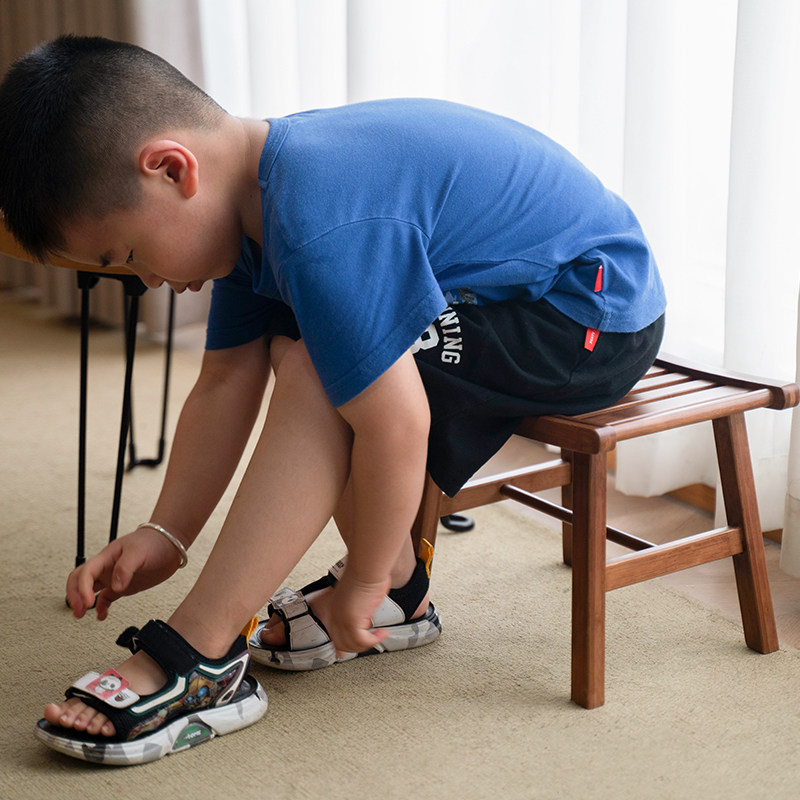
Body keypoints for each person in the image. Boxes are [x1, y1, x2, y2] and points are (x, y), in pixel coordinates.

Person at [0, 35, 666, 764]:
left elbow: (396, 423)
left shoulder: (320, 220)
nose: (149, 280)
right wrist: (168, 534)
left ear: (170, 169)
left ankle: (205, 653)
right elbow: (224, 383)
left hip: (587, 311)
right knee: (300, 347)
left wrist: (365, 574)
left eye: (127, 256)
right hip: (514, 292)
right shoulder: (257, 204)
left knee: (320, 367)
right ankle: (399, 595)